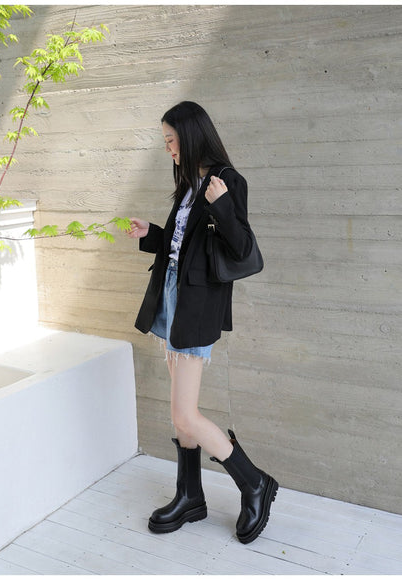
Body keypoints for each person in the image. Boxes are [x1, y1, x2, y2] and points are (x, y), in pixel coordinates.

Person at [127, 101, 278, 545]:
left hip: (197, 305)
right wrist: (152, 234)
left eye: (171, 140)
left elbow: (242, 248)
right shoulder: (189, 182)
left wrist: (222, 204)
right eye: (165, 141)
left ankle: (254, 482)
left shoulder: (225, 182)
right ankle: (190, 496)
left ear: (191, 136)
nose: (168, 149)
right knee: (180, 412)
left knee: (184, 414)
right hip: (171, 296)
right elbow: (184, 246)